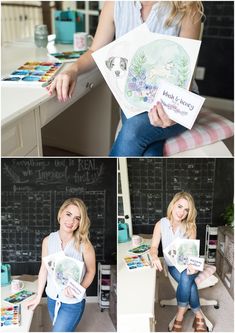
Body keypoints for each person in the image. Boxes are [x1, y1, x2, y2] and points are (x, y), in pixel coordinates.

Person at [47, 1, 204, 156]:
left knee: (133, 131)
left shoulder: (188, 7)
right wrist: (72, 69)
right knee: (150, 152)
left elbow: (186, 71)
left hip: (177, 100)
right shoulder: (115, 4)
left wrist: (172, 110)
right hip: (135, 101)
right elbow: (95, 50)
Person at [26, 198, 96, 332]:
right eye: (68, 214)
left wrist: (78, 289)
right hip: (52, 298)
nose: (71, 221)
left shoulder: (84, 245)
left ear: (80, 222)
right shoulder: (47, 241)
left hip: (73, 303)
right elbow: (44, 269)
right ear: (61, 213)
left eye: (77, 218)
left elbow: (91, 272)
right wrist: (38, 296)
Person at [150, 192, 207, 332]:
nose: (182, 212)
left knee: (187, 277)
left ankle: (179, 317)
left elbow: (192, 253)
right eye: (180, 206)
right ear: (173, 204)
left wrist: (191, 266)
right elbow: (153, 247)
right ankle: (198, 315)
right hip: (173, 266)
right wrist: (154, 256)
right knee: (190, 284)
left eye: (186, 210)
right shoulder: (161, 224)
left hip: (190, 264)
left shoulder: (190, 226)